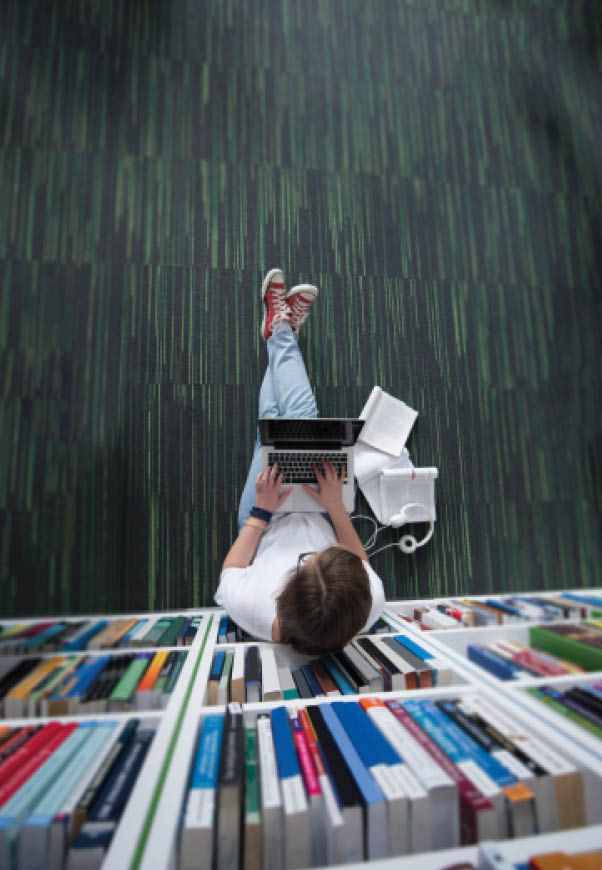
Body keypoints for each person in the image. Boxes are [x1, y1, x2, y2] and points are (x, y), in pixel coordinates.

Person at [214, 269, 385, 655]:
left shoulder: (252, 610)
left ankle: (282, 331)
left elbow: (232, 569)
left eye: (306, 562)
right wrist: (336, 509)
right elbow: (358, 559)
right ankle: (278, 332)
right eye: (323, 557)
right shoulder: (368, 603)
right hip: (324, 512)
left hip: (263, 520)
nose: (310, 553)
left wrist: (261, 512)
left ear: (283, 595)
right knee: (290, 428)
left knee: (281, 431)